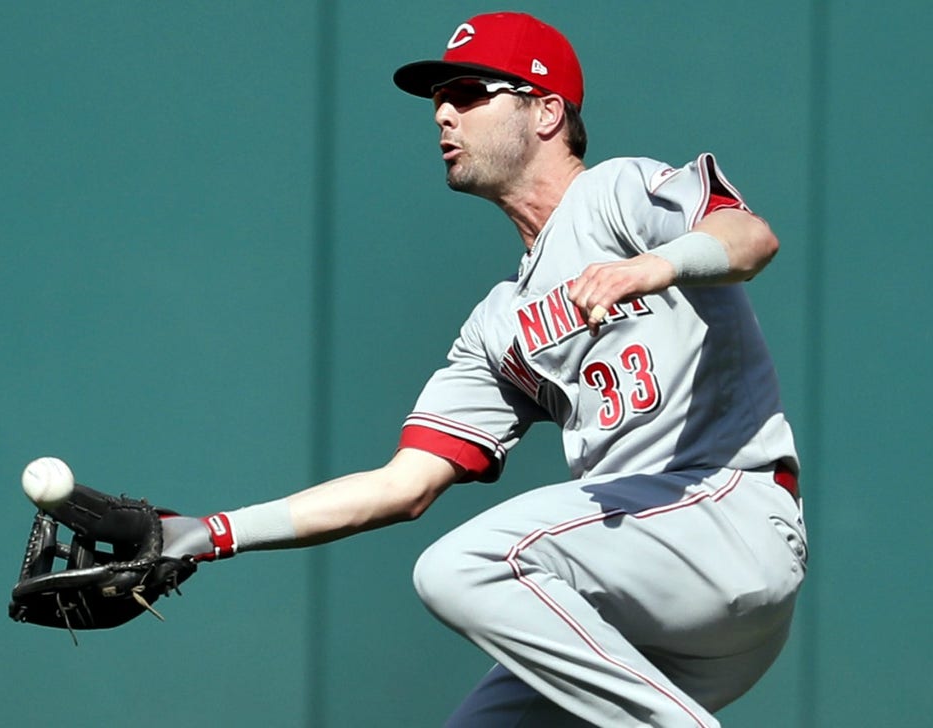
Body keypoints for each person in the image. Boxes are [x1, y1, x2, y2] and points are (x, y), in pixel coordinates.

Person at [159, 11, 807, 727]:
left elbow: (750, 238)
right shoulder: (498, 323)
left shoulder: (617, 195)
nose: (443, 113)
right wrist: (208, 533)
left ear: (547, 112)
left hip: (728, 515)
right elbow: (398, 487)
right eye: (440, 98)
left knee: (459, 567)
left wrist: (651, 267)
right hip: (645, 590)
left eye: (469, 92)